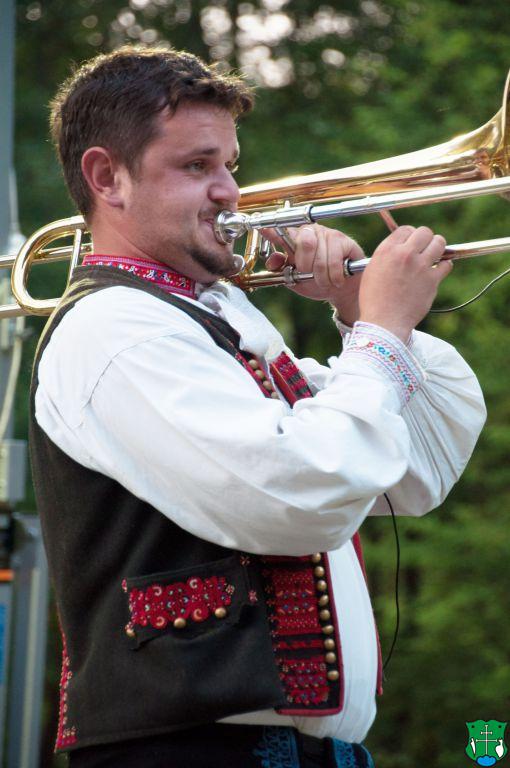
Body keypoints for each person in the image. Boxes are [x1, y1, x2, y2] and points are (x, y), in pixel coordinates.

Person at [30, 46, 486, 768]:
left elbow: (417, 468)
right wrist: (381, 331)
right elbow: (308, 486)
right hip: (187, 754)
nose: (230, 192)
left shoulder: (213, 318)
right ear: (106, 177)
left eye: (230, 165)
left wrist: (355, 308)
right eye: (196, 166)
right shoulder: (115, 327)